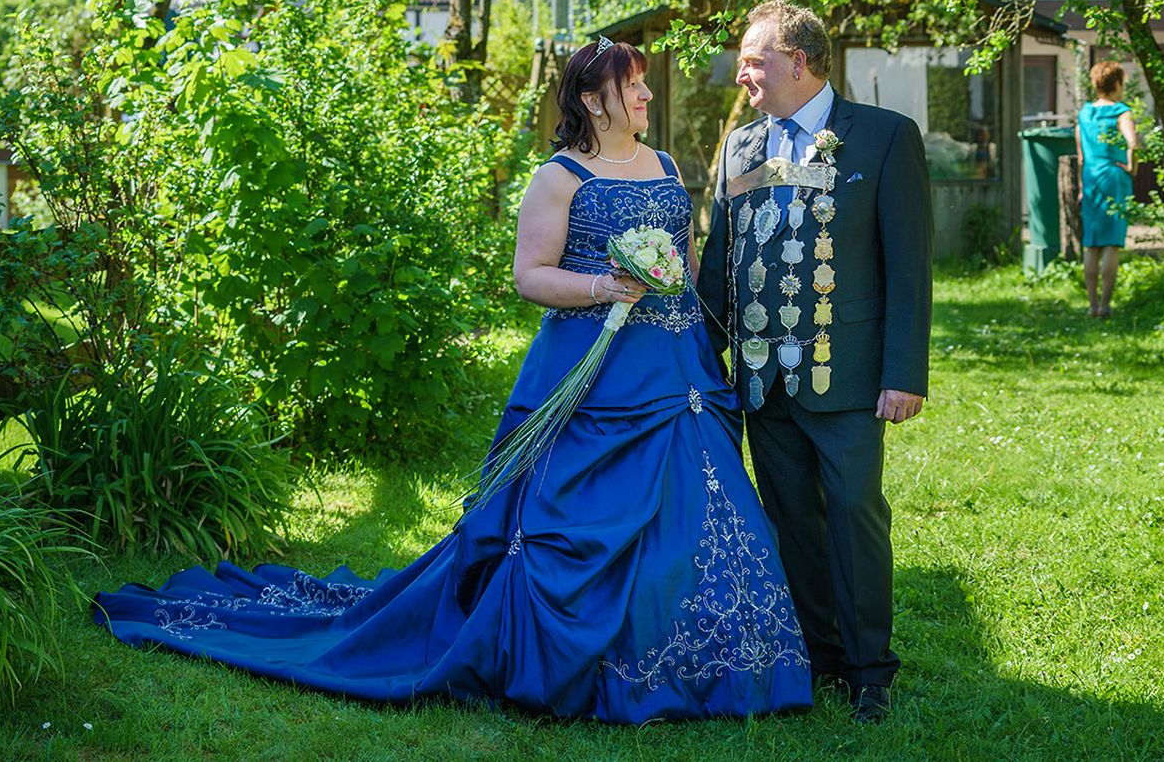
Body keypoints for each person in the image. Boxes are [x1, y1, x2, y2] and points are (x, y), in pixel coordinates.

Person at [93, 38, 813, 724]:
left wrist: (683, 301)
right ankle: (583, 664)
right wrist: (605, 286)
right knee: (572, 523)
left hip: (679, 374)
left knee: (702, 514)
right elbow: (530, 275)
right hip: (593, 373)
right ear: (596, 101)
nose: (648, 94)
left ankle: (717, 661)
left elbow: (687, 263)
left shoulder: (663, 163)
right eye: (634, 86)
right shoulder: (559, 177)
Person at [696, 1, 933, 723]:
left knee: (855, 515)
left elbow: (909, 268)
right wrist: (698, 362)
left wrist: (904, 374)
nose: (741, 73)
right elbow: (720, 267)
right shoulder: (739, 147)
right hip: (763, 377)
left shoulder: (884, 137)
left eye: (753, 60)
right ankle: (818, 655)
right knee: (792, 518)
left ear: (797, 61)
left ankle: (870, 670)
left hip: (847, 372)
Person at [1076, 60, 1138, 319]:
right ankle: (1105, 305)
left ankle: (1091, 305)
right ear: (1117, 84)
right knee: (1112, 242)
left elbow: (1081, 156)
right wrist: (1131, 167)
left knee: (1091, 244)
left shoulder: (1084, 114)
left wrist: (1082, 186)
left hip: (1091, 178)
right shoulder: (1121, 112)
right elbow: (1132, 142)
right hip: (1114, 176)